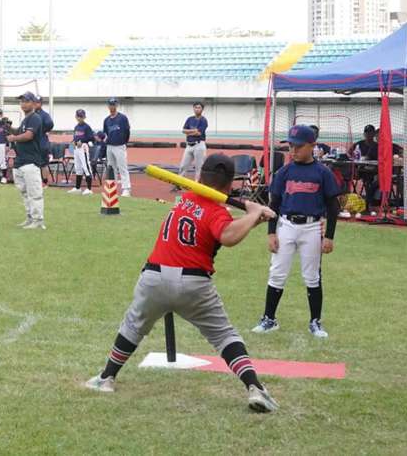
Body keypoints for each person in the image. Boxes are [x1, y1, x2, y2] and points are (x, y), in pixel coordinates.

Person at [85, 154, 280, 413]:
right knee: (224, 336)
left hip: (154, 278)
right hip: (193, 283)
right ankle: (255, 387)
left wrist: (252, 217)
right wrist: (253, 215)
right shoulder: (217, 211)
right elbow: (227, 236)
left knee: (133, 326)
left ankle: (106, 378)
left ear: (199, 177)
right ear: (228, 185)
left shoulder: (185, 199)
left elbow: (218, 228)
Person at [252, 125, 341, 338]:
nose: (293, 150)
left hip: (312, 227)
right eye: (291, 146)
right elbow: (274, 205)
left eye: (298, 146)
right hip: (286, 225)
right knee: (277, 272)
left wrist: (329, 236)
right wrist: (271, 233)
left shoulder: (323, 172)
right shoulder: (284, 172)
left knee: (312, 276)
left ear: (312, 146)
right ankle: (269, 319)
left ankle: (315, 322)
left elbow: (333, 206)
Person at [7, 91, 45, 230]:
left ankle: (38, 220)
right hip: (21, 161)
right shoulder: (26, 119)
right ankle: (30, 218)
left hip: (30, 161)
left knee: (34, 193)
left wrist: (13, 138)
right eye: (21, 101)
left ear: (33, 103)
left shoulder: (35, 118)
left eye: (26, 101)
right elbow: (19, 132)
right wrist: (8, 127)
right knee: (25, 193)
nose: (23, 104)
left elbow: (28, 135)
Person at [103, 97, 132, 197]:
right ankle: (112, 188)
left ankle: (126, 189)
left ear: (117, 105)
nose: (112, 106)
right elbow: (106, 133)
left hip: (119, 146)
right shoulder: (106, 120)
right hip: (110, 146)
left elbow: (127, 131)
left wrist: (124, 142)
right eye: (110, 105)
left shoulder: (122, 118)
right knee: (111, 168)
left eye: (114, 104)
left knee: (122, 167)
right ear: (108, 106)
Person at [175, 102, 208, 187]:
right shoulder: (189, 119)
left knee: (198, 167)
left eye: (199, 107)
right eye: (195, 107)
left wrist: (188, 132)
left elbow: (198, 133)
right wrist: (193, 131)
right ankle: (178, 184)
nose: (197, 109)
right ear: (193, 108)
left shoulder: (203, 120)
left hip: (199, 145)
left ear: (202, 109)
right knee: (183, 165)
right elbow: (183, 130)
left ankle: (197, 185)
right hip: (189, 145)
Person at [69, 109, 95, 196]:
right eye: (78, 116)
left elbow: (91, 138)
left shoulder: (87, 127)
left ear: (84, 117)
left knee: (86, 166)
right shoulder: (76, 127)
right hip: (76, 148)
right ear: (76, 117)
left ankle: (89, 189)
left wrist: (83, 141)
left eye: (81, 116)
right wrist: (73, 141)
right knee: (78, 167)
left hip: (83, 147)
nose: (80, 118)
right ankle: (78, 188)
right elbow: (75, 137)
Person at [34, 95, 54, 187]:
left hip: (42, 142)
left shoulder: (45, 115)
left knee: (43, 164)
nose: (36, 104)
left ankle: (45, 182)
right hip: (33, 142)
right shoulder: (32, 114)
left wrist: (43, 130)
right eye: (35, 102)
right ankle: (36, 181)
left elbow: (50, 124)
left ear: (41, 104)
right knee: (33, 164)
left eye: (38, 102)